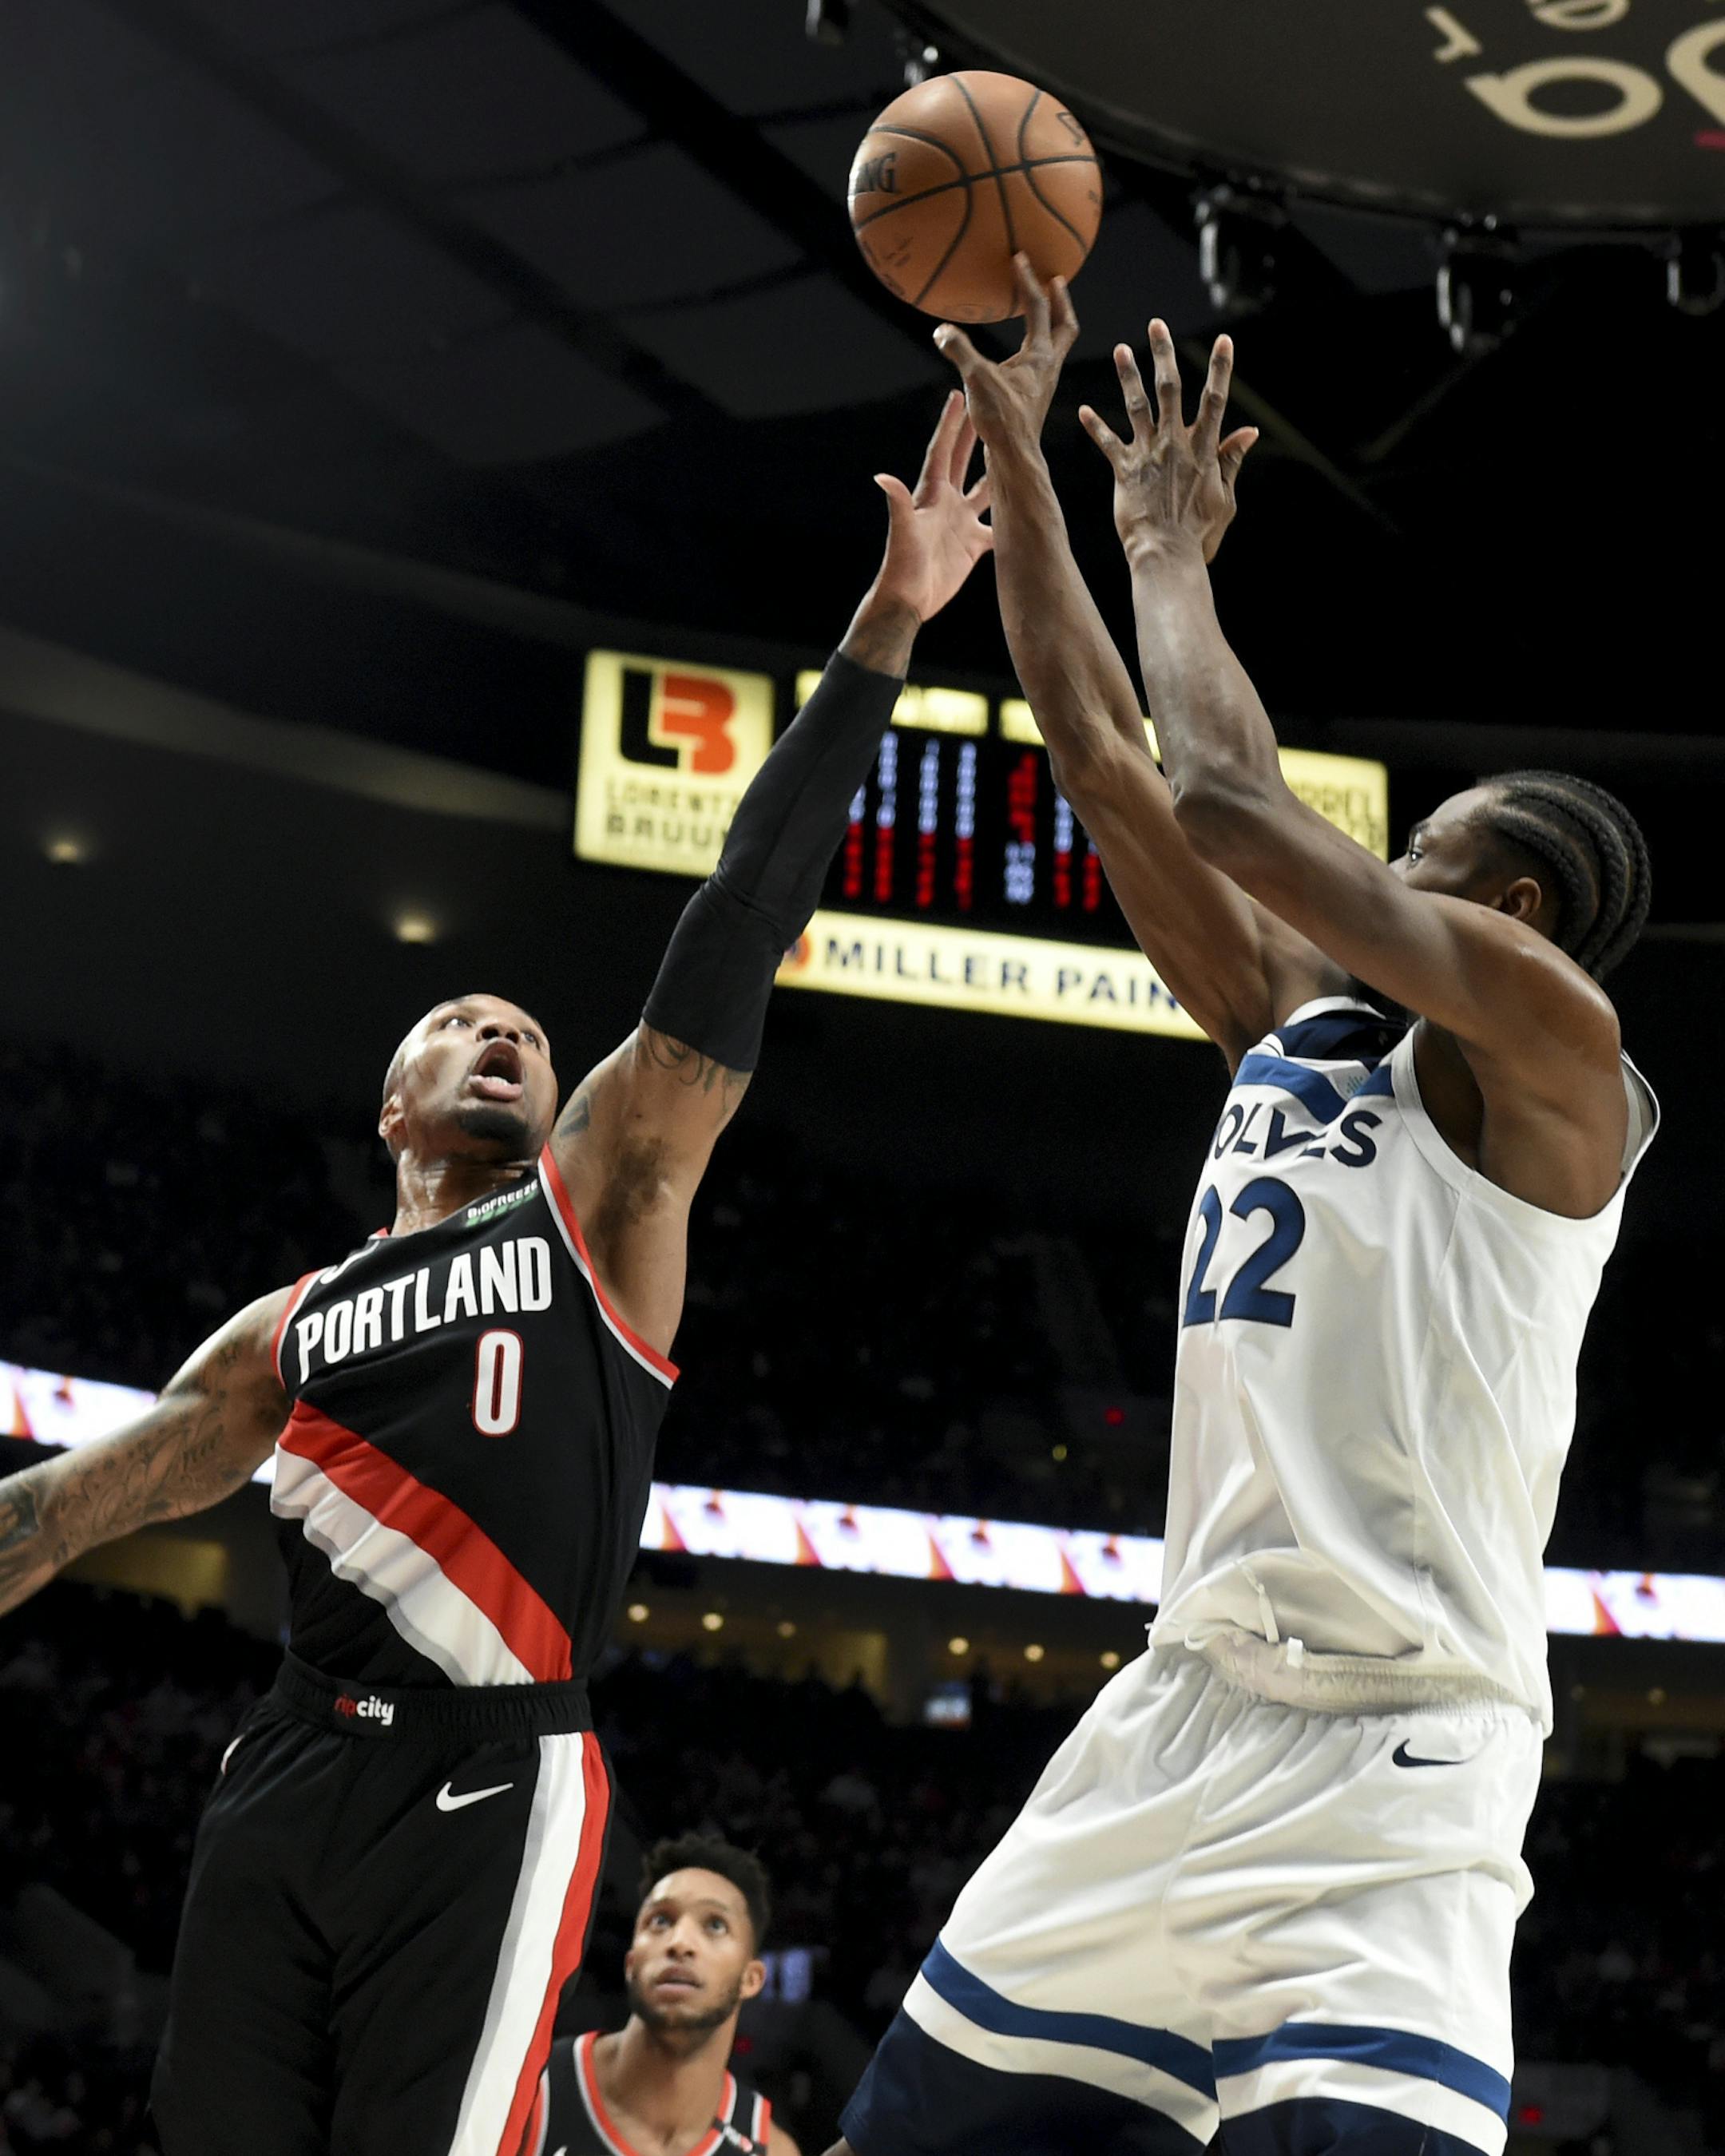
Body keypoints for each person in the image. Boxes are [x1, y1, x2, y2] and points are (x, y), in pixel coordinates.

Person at [0, 392, 993, 2156]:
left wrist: (888, 629)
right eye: (461, 1024)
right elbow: (62, 1513)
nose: (503, 1041)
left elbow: (730, 935)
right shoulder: (286, 1329)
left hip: (494, 1771)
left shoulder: (599, 1208)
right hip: (293, 1759)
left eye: (527, 1031)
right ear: (393, 1100)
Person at [831, 263, 1657, 2156]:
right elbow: (1107, 757)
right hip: (1172, 1715)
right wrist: (1031, 471)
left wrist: (1165, 545)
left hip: (1397, 1762)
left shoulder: (1563, 1060)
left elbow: (1218, 789)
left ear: (1502, 915)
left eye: (1421, 854)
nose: (1378, 866)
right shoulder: (1294, 1030)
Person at [520, 1833, 798, 2156]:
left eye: (715, 1925)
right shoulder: (530, 2087)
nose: (680, 1942)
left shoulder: (772, 2150)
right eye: (661, 1920)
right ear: (631, 1962)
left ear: (751, 1979)